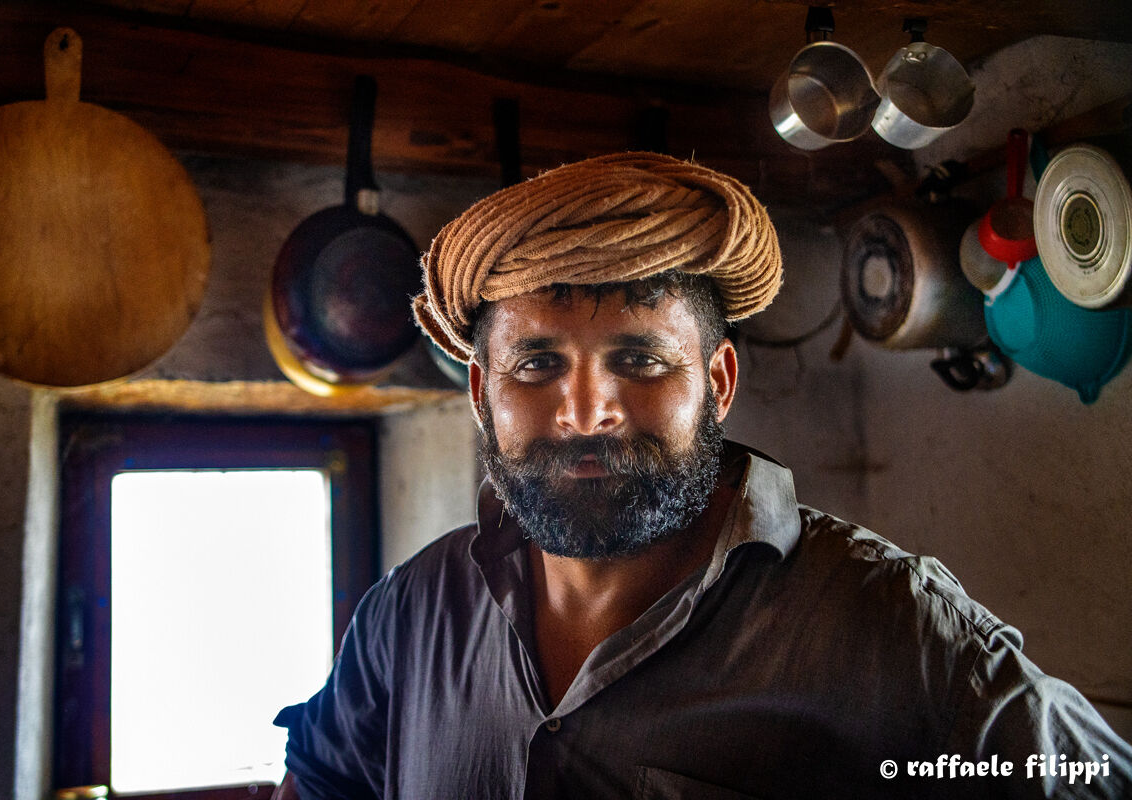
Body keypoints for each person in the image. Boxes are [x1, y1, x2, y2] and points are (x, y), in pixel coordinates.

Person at [272, 153, 1132, 799]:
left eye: (640, 360)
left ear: (717, 382)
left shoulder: (894, 632)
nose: (586, 412)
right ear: (479, 392)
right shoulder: (408, 617)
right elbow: (322, 776)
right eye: (536, 365)